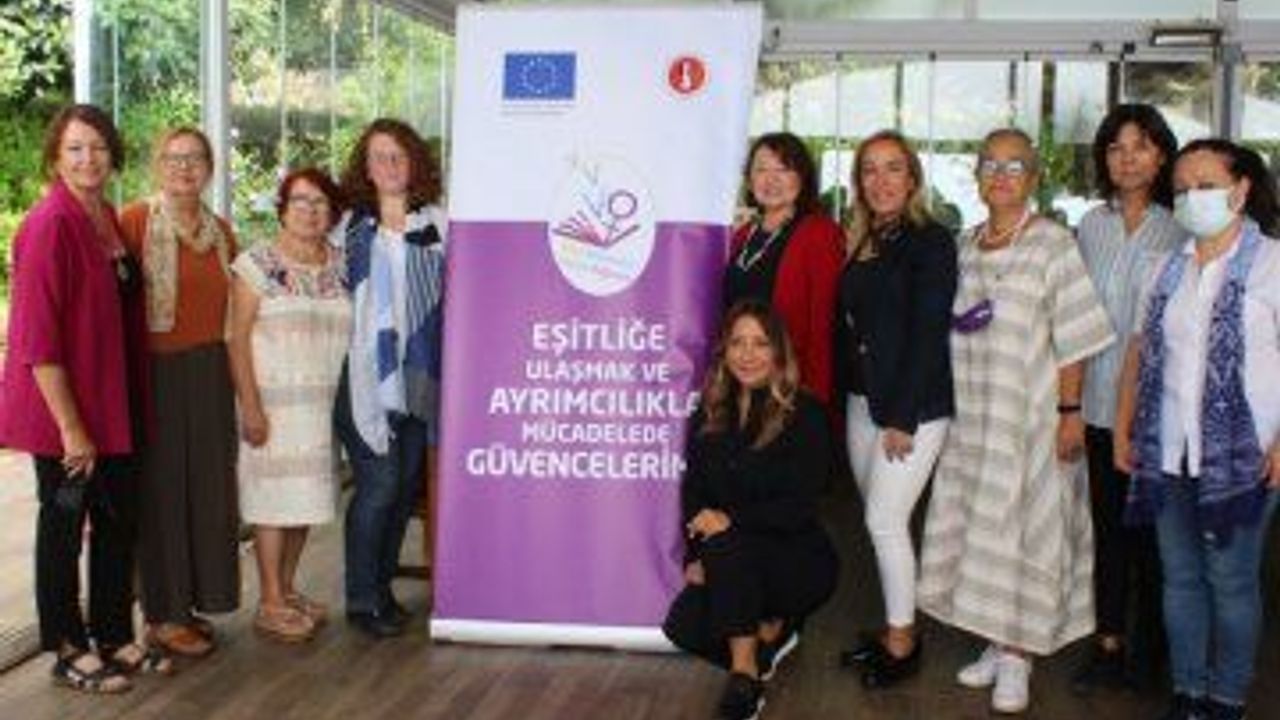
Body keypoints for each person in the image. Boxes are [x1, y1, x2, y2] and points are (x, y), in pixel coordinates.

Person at [916, 128, 1115, 714]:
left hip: (1031, 422)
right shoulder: (964, 245)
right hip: (975, 421)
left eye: (1014, 166)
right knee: (984, 537)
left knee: (1027, 534)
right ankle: (995, 642)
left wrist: (1070, 414)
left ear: (1033, 177)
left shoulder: (1054, 244)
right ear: (976, 176)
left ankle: (1019, 656)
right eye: (990, 165)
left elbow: (1076, 339)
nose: (1000, 176)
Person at [0, 104, 168, 692]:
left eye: (97, 147)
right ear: (55, 157)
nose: (87, 159)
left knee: (118, 523)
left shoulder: (104, 217)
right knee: (64, 527)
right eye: (74, 148)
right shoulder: (49, 225)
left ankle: (115, 635)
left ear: (112, 155)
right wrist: (72, 428)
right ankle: (68, 648)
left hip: (112, 404)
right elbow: (36, 341)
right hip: (65, 413)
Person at [1114, 139, 1280, 720]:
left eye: (1206, 185)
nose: (1191, 197)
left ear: (1241, 190)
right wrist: (1123, 429)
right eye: (1182, 188)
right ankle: (1188, 691)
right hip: (1168, 450)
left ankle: (1227, 697)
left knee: (1230, 580)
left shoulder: (1274, 264)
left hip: (1243, 455)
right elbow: (1139, 353)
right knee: (1180, 578)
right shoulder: (1166, 267)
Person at [663, 300, 838, 720]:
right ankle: (770, 631)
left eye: (760, 343)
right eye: (738, 343)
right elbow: (694, 493)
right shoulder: (709, 412)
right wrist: (695, 556)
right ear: (724, 350)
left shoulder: (807, 414)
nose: (747, 354)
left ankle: (745, 678)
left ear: (779, 351)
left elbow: (801, 505)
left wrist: (729, 524)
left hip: (796, 559)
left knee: (727, 544)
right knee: (682, 627)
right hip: (732, 560)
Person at [834, 130, 957, 688]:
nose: (880, 180)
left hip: (912, 409)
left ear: (912, 179)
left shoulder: (930, 241)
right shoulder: (864, 236)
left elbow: (928, 334)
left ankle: (904, 642)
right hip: (863, 401)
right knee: (882, 519)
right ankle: (893, 627)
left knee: (883, 521)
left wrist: (903, 417)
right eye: (869, 170)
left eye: (893, 168)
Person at [1072, 104, 1183, 694]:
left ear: (1161, 155)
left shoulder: (1182, 228)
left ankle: (1153, 650)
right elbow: (1074, 319)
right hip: (1096, 405)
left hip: (1159, 413)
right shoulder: (1091, 225)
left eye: (1140, 146)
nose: (1128, 159)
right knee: (1107, 532)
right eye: (1116, 148)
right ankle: (1108, 644)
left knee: (1155, 540)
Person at [119, 127, 239, 658]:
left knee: (208, 491)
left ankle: (193, 601)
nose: (184, 167)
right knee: (162, 491)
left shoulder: (222, 233)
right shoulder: (134, 222)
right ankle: (163, 614)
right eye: (172, 158)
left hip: (211, 371)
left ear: (209, 168)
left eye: (194, 159)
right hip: (156, 373)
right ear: (157, 166)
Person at [333, 118, 447, 638]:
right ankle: (361, 599)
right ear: (366, 166)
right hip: (362, 374)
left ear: (415, 162)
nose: (390, 165)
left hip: (420, 372)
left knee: (402, 489)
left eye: (399, 154)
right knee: (378, 486)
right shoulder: (347, 228)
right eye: (379, 156)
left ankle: (381, 590)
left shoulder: (438, 223)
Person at [227, 168, 351, 643]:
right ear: (282, 208)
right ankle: (270, 602)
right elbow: (236, 339)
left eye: (320, 203)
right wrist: (250, 407)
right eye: (300, 201)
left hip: (320, 409)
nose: (310, 211)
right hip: (272, 407)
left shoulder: (342, 265)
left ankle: (287, 588)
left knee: (304, 502)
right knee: (273, 504)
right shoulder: (256, 264)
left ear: (333, 213)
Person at [724, 132, 843, 407]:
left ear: (802, 177)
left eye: (783, 169)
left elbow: (824, 326)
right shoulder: (741, 236)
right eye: (761, 169)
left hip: (791, 390)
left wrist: (814, 399)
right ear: (749, 179)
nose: (771, 179)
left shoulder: (820, 234)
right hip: (741, 383)